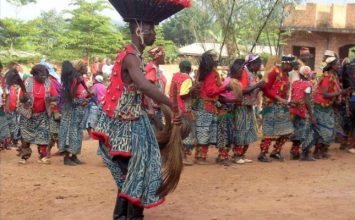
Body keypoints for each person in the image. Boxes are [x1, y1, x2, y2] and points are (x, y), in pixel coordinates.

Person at [91, 0, 189, 218]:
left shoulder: (136, 55)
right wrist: (172, 105)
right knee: (134, 176)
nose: (154, 33)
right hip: (122, 128)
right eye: (150, 28)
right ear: (138, 29)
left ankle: (126, 217)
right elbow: (143, 85)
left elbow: (142, 89)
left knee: (134, 177)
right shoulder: (130, 56)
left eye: (153, 28)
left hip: (134, 123)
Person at [306, 57, 351, 159]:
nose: (339, 66)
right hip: (321, 106)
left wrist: (343, 92)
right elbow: (325, 94)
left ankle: (323, 151)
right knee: (323, 130)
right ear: (331, 65)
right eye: (337, 64)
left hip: (328, 106)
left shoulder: (333, 76)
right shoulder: (326, 77)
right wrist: (341, 92)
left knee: (330, 130)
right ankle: (317, 152)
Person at [258, 55, 296, 162]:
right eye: (292, 65)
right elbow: (265, 88)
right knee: (269, 131)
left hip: (281, 107)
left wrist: (288, 102)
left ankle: (276, 151)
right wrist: (279, 98)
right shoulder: (274, 71)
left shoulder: (285, 75)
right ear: (287, 63)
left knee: (287, 131)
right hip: (270, 106)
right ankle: (263, 153)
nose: (293, 67)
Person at [17, 64, 58, 164]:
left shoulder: (48, 83)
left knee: (43, 135)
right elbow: (21, 99)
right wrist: (25, 98)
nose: (44, 77)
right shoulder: (27, 82)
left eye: (45, 75)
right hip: (28, 114)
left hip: (43, 114)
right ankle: (24, 157)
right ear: (34, 75)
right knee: (26, 136)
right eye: (41, 75)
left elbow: (56, 96)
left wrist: (50, 98)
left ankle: (43, 156)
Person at [194, 50, 229, 164]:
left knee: (203, 130)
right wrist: (224, 88)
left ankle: (200, 156)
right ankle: (200, 157)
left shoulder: (201, 71)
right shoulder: (211, 73)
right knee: (206, 130)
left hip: (202, 104)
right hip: (207, 105)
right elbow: (210, 91)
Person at [233, 54, 265, 164]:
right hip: (241, 105)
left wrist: (259, 87)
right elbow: (242, 90)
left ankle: (242, 154)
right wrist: (257, 86)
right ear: (252, 64)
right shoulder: (244, 72)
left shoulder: (252, 73)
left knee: (248, 129)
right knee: (241, 129)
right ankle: (236, 155)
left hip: (249, 105)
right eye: (258, 64)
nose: (259, 66)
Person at [59, 61, 90, 166]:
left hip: (79, 112)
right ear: (80, 68)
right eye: (85, 66)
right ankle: (66, 158)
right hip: (72, 111)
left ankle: (74, 156)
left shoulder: (81, 79)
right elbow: (71, 97)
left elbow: (82, 95)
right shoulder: (74, 79)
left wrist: (88, 98)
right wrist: (82, 101)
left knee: (77, 134)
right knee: (70, 133)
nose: (86, 68)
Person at [169, 60, 195, 165]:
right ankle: (183, 157)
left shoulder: (175, 77)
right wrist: (193, 88)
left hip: (173, 107)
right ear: (189, 69)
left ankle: (175, 157)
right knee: (186, 133)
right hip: (184, 109)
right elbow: (183, 94)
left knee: (176, 133)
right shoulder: (187, 78)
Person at [288, 66, 316, 161]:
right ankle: (306, 154)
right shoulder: (308, 84)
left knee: (297, 131)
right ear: (308, 74)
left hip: (294, 110)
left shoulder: (295, 83)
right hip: (304, 111)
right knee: (307, 132)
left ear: (299, 74)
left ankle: (294, 152)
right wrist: (312, 115)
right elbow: (307, 101)